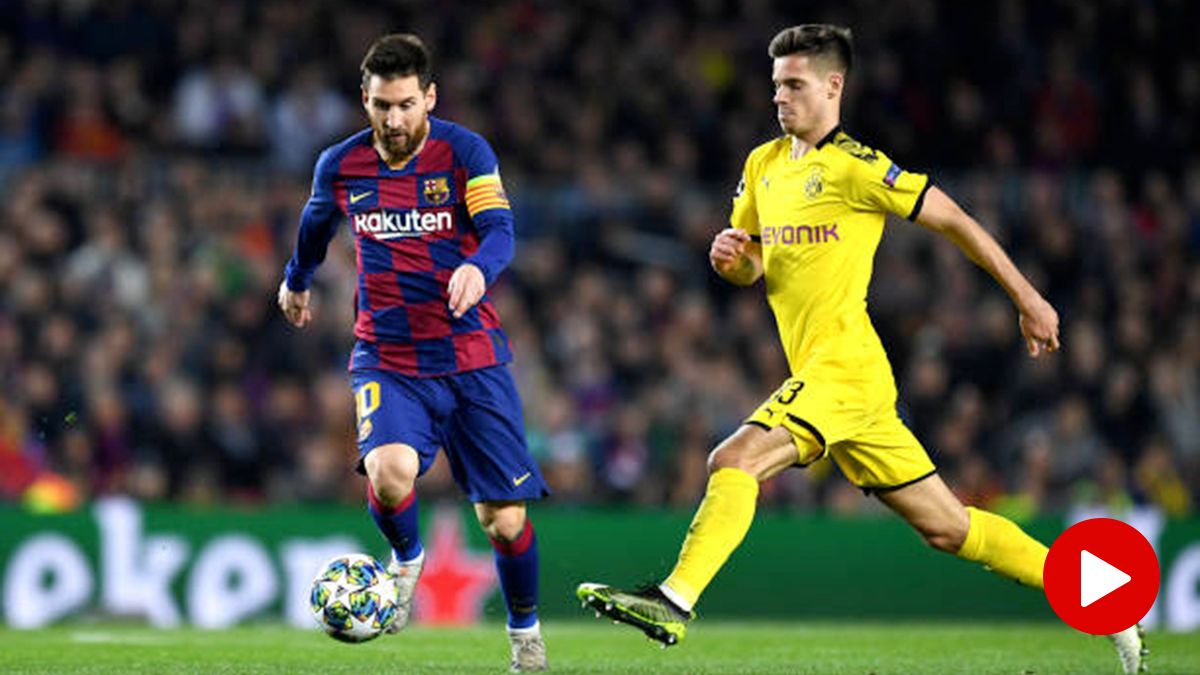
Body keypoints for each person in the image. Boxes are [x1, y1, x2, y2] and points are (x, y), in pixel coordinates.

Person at [576, 24, 1145, 674]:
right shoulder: (762, 165)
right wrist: (731, 259)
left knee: (734, 458)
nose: (780, 97)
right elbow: (752, 266)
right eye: (776, 85)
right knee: (950, 528)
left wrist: (1028, 297)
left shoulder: (857, 167)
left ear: (832, 86)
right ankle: (1105, 599)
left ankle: (674, 599)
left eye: (794, 84)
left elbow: (955, 219)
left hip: (842, 367)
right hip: (851, 384)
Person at [278, 34, 548, 672]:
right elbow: (315, 225)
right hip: (388, 355)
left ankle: (525, 635)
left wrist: (479, 267)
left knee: (504, 522)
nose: (394, 119)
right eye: (381, 105)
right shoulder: (341, 165)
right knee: (388, 471)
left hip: (471, 354)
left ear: (429, 97)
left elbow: (500, 230)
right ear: (364, 100)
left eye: (405, 104)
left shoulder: (465, 152)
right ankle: (406, 561)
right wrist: (297, 279)